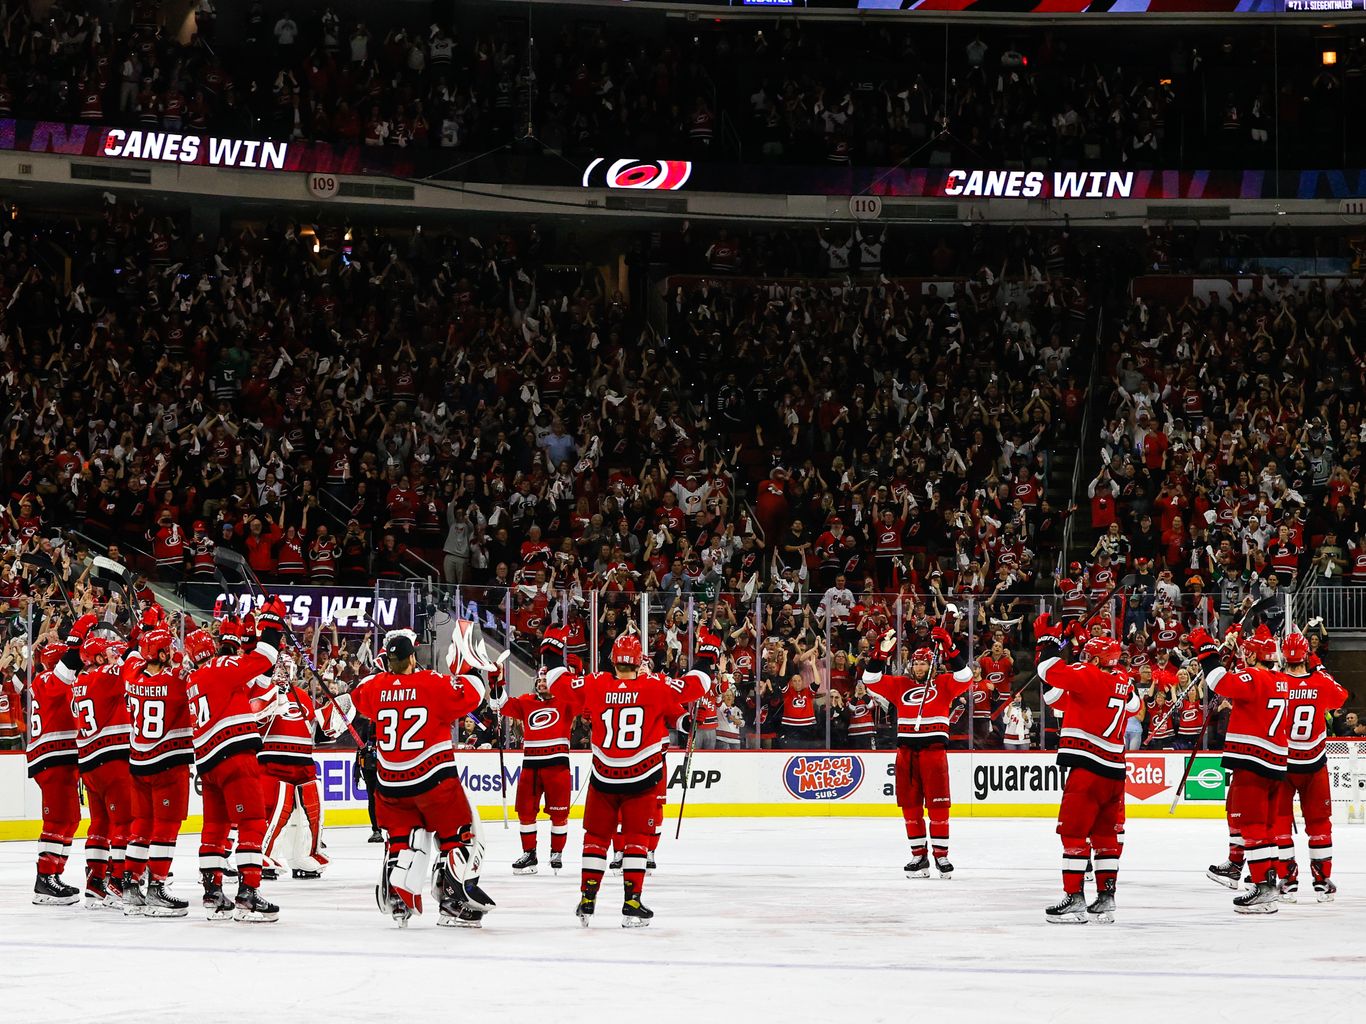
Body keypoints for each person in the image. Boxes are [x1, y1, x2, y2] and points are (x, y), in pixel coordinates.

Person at [553, 630, 717, 928]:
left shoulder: (597, 684)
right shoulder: (655, 686)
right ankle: (632, 902)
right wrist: (707, 654)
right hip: (642, 777)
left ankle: (587, 900)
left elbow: (557, 682)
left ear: (612, 659)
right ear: (639, 659)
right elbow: (697, 684)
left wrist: (552, 647)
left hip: (604, 775)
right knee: (637, 839)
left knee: (596, 837)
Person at [349, 623, 496, 928]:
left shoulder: (374, 687)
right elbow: (473, 694)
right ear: (414, 657)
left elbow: (359, 695)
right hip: (433, 780)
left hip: (390, 786)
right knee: (460, 836)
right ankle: (453, 902)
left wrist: (389, 676)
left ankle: (398, 898)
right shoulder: (432, 683)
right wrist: (473, 667)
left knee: (403, 839)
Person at [186, 599, 288, 923]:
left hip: (206, 763)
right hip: (235, 757)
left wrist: (247, 641)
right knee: (252, 822)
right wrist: (272, 621)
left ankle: (212, 894)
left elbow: (257, 678)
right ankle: (248, 893)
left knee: (214, 827)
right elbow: (265, 660)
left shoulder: (193, 679)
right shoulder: (226, 668)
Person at [1035, 616, 1138, 923]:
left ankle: (1074, 897)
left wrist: (1048, 642)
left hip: (1087, 768)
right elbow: (1057, 697)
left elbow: (1047, 670)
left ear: (1093, 659)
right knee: (1106, 836)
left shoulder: (1087, 675)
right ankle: (1106, 897)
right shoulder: (1124, 683)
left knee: (1073, 833)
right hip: (1115, 772)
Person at [1189, 623, 1290, 913]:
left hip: (1253, 760)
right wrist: (1235, 644)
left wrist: (1206, 647)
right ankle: (1266, 881)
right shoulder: (1278, 678)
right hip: (1275, 760)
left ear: (1255, 656)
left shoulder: (1253, 676)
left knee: (1253, 825)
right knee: (1265, 826)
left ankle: (1261, 887)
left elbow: (1218, 681)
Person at [861, 624, 972, 877]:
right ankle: (918, 856)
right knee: (910, 806)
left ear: (932, 665)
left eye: (924, 663)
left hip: (934, 753)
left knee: (938, 807)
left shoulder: (944, 684)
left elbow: (965, 677)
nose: (920, 668)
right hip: (906, 754)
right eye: (916, 664)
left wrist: (951, 648)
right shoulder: (900, 685)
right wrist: (880, 654)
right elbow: (870, 680)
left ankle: (941, 857)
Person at [490, 628, 579, 875]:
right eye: (540, 680)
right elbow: (500, 705)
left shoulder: (567, 701)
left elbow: (584, 698)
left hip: (557, 765)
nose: (542, 683)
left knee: (559, 813)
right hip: (531, 764)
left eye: (546, 680)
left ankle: (557, 852)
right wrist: (496, 682)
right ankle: (529, 854)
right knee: (526, 811)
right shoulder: (526, 702)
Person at [122, 626, 195, 916]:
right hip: (168, 761)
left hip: (138, 761)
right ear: (163, 653)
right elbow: (190, 675)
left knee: (141, 823)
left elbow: (131, 658)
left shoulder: (131, 675)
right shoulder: (176, 680)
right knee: (166, 825)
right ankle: (157, 889)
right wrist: (177, 658)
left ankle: (130, 886)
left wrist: (147, 639)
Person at [259, 661, 354, 880]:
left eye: (287, 668)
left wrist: (330, 721)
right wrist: (270, 701)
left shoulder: (302, 695)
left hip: (304, 761)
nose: (283, 672)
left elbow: (314, 728)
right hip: (273, 761)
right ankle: (263, 855)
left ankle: (306, 857)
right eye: (279, 667)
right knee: (275, 811)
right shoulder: (262, 691)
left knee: (313, 809)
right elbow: (255, 718)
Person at [1273, 631, 1347, 901]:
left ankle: (1287, 882)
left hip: (1282, 763)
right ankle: (1322, 881)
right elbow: (1341, 696)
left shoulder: (1276, 682)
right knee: (1319, 824)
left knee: (1279, 824)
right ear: (1305, 655)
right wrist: (1319, 664)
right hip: (1314, 763)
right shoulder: (1320, 682)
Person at [65, 628, 135, 910]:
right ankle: (117, 881)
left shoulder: (77, 682)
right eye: (104, 651)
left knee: (99, 824)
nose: (109, 654)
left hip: (88, 762)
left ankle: (95, 882)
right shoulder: (105, 675)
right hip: (113, 758)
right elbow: (131, 668)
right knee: (123, 822)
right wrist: (135, 641)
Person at [24, 640, 83, 905]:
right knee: (58, 820)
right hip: (52, 758)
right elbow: (66, 670)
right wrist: (76, 643)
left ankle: (54, 874)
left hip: (61, 757)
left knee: (70, 818)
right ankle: (44, 880)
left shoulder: (55, 680)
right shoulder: (48, 678)